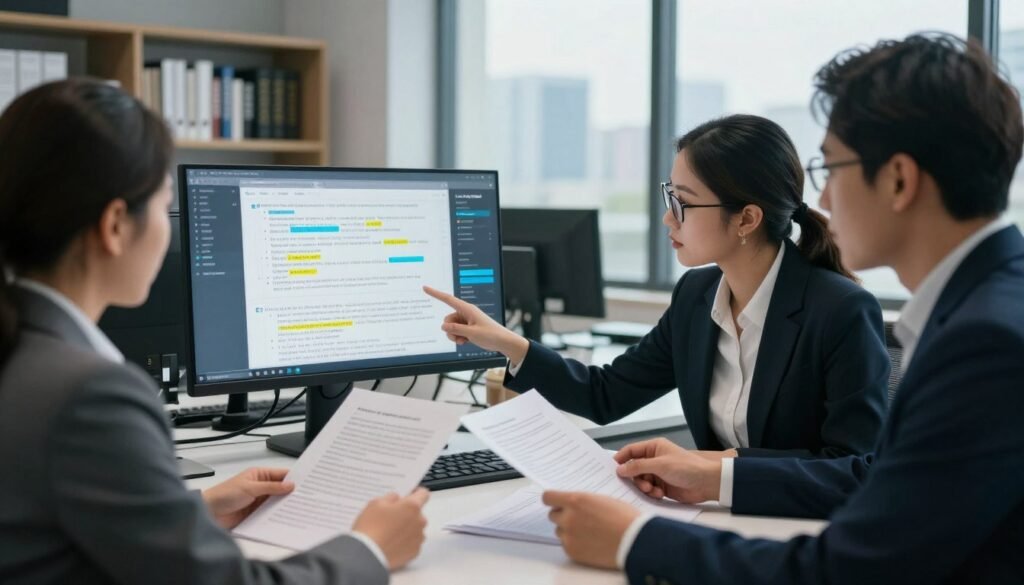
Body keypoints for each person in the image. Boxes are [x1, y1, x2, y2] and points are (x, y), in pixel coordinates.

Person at [542, 32, 1024, 584]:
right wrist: (712, 474)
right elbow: (881, 496)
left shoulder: (986, 342)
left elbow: (852, 568)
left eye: (832, 171)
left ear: (897, 179)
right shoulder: (988, 307)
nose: (819, 200)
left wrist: (634, 539)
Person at [0, 79, 429, 585]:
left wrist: (194, 509)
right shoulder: (90, 393)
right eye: (163, 206)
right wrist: (371, 548)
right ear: (116, 225)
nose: (168, 227)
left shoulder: (22, 352)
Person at [425, 113, 889, 460]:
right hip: (719, 520)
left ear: (747, 218)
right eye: (671, 196)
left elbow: (853, 466)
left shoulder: (841, 311)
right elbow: (603, 395)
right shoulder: (696, 296)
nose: (668, 217)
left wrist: (716, 470)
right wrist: (506, 341)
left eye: (683, 203)